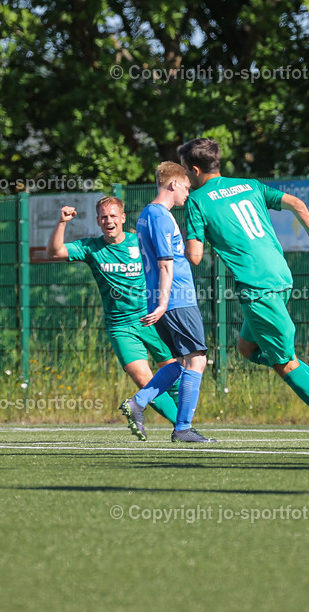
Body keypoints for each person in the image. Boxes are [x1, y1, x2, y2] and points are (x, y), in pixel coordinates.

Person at [179, 138, 309, 454]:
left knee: (284, 364)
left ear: (194, 170)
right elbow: (298, 204)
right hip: (280, 275)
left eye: (185, 170)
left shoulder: (197, 200)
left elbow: (194, 257)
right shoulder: (249, 185)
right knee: (247, 348)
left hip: (257, 287)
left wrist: (174, 243)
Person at [46, 197, 181, 431]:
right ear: (98, 221)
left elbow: (167, 264)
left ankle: (185, 422)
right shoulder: (91, 247)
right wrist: (62, 222)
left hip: (152, 320)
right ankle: (182, 427)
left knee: (176, 375)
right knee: (144, 380)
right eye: (104, 217)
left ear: (123, 218)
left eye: (113, 216)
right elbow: (55, 252)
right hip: (121, 327)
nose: (109, 220)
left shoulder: (139, 242)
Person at [119, 162, 214, 442]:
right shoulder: (160, 215)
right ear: (173, 184)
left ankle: (138, 402)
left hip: (165, 299)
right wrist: (163, 304)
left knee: (182, 362)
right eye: (185, 187)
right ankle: (182, 428)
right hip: (175, 299)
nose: (187, 193)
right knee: (197, 360)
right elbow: (164, 263)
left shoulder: (146, 214)